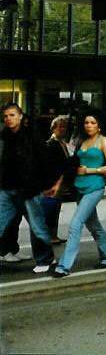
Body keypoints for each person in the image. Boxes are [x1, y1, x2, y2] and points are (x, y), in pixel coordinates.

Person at [52, 110, 106, 277]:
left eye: (93, 123)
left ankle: (64, 266)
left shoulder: (104, 141)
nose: (89, 125)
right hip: (79, 187)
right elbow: (74, 162)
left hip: (95, 187)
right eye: (87, 122)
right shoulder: (83, 141)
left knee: (75, 224)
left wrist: (90, 170)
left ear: (99, 125)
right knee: (93, 224)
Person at [0, 103, 56, 273]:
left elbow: (43, 161)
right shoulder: (4, 138)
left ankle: (45, 259)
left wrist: (43, 185)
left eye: (12, 115)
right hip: (7, 188)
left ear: (21, 116)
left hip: (28, 189)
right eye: (6, 116)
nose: (9, 119)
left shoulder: (31, 136)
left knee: (37, 226)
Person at [41, 116, 73, 244]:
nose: (63, 129)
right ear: (53, 129)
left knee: (56, 208)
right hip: (53, 182)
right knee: (51, 209)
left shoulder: (62, 143)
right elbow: (51, 166)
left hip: (61, 181)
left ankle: (53, 235)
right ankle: (49, 235)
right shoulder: (51, 144)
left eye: (64, 127)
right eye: (60, 127)